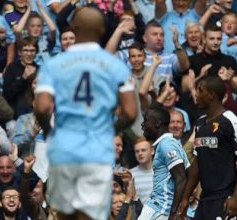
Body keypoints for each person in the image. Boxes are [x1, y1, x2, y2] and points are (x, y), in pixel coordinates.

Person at [34, 7, 137, 220]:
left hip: (64, 147)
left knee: (64, 215)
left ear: (74, 27)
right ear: (101, 30)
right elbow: (130, 111)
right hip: (96, 150)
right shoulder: (114, 65)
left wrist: (49, 131)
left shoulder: (54, 64)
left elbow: (42, 107)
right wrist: (110, 130)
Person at [179, 76, 237, 220]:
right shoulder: (200, 123)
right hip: (205, 199)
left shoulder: (231, 120)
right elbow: (197, 163)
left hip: (226, 196)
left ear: (211, 95)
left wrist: (236, 197)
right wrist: (185, 197)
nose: (196, 94)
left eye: (200, 90)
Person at [139, 106, 189, 220]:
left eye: (146, 120)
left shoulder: (167, 144)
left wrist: (173, 213)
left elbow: (181, 178)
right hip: (160, 208)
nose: (143, 125)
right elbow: (188, 174)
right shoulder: (170, 143)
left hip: (161, 208)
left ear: (157, 123)